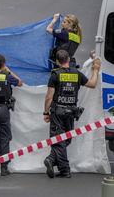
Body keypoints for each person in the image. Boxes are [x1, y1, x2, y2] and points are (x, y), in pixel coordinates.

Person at [43, 50, 101, 178]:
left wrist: (46, 112)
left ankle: (59, 166)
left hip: (58, 112)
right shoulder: (77, 74)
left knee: (60, 141)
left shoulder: (55, 75)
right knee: (65, 140)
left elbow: (49, 97)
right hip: (71, 112)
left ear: (57, 61)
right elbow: (92, 84)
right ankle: (56, 163)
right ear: (68, 59)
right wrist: (95, 70)